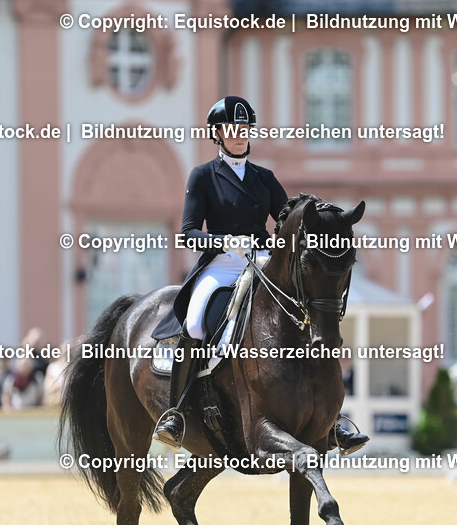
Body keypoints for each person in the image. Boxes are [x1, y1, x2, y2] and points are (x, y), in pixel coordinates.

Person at [150, 96, 367, 454]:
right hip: (222, 264)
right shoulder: (203, 176)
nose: (240, 135)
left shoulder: (263, 178)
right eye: (232, 129)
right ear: (218, 135)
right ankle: (176, 414)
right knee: (193, 323)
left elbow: (286, 219)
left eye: (245, 129)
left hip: (264, 261)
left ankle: (332, 422)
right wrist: (223, 241)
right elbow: (189, 231)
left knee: (307, 318)